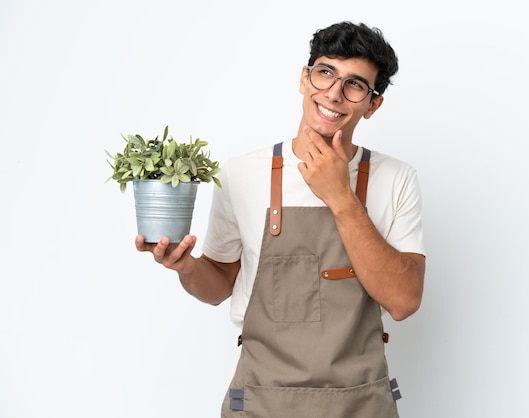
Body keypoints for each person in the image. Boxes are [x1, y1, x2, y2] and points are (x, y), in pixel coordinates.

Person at [136, 21, 426, 418]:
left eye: (355, 85)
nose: (334, 94)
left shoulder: (396, 179)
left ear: (372, 104)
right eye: (325, 73)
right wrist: (186, 267)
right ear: (304, 79)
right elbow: (218, 285)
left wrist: (341, 197)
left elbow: (404, 300)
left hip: (362, 404)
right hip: (261, 402)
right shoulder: (241, 173)